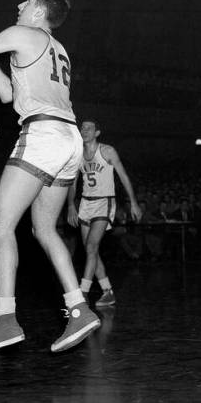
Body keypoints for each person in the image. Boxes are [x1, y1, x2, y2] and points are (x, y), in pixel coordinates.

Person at [0, 0, 101, 356]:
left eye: (25, 3)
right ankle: (79, 308)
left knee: (0, 225)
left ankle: (5, 320)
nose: (17, 6)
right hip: (69, 139)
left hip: (43, 134)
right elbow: (7, 96)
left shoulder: (23, 33)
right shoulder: (56, 48)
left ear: (39, 10)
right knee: (44, 229)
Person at [67, 119, 143, 307]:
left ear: (97, 133)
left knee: (92, 247)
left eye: (89, 128)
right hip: (85, 202)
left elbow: (123, 176)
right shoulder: (78, 154)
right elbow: (73, 183)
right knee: (89, 250)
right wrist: (70, 205)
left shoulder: (107, 151)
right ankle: (107, 291)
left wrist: (133, 202)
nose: (84, 130)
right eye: (82, 127)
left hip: (104, 201)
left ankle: (82, 294)